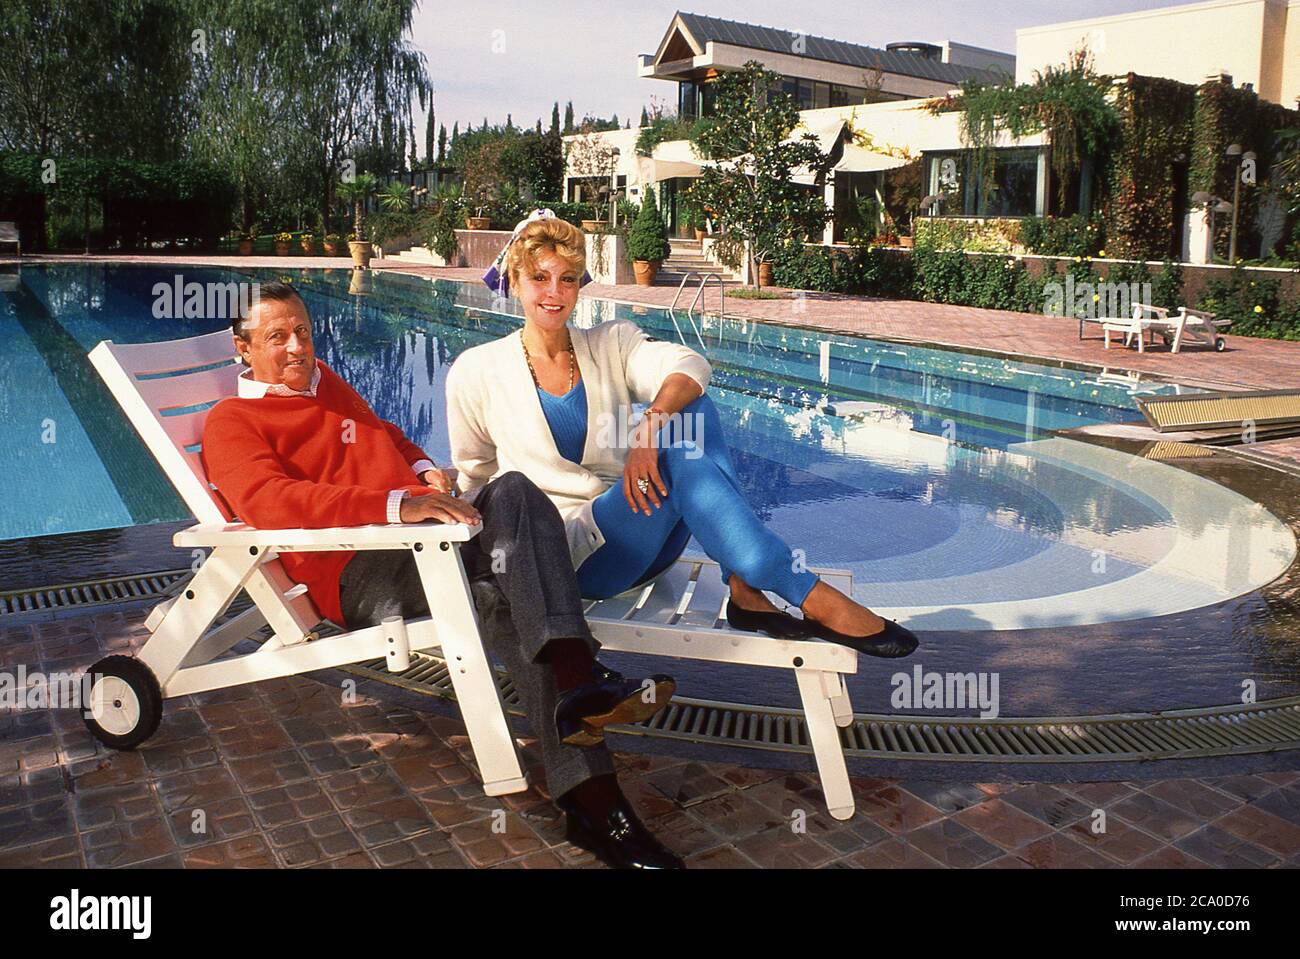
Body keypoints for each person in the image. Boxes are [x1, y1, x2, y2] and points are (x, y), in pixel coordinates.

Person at [201, 280, 684, 869]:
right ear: (242, 347)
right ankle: (595, 780)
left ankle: (589, 761)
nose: (298, 347)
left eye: (302, 330)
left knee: (513, 505)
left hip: (424, 543)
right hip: (358, 572)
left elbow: (390, 437)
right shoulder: (231, 421)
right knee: (502, 573)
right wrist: (394, 507)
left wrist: (426, 472)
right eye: (277, 337)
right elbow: (272, 502)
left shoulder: (326, 383)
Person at [446, 212, 919, 657]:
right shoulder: (477, 370)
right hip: (569, 556)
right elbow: (477, 481)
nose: (554, 292)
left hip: (644, 536)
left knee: (690, 407)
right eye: (539, 278)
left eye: (567, 279)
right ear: (514, 281)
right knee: (687, 451)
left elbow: (690, 365)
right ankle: (784, 586)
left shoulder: (610, 342)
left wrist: (648, 429)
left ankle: (757, 582)